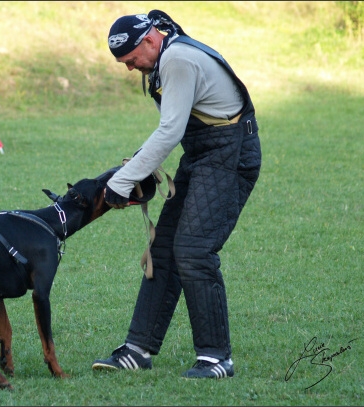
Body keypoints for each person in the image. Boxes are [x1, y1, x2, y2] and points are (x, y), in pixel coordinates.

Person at [93, 10, 262, 379]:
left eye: (131, 60)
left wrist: (121, 182)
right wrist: (137, 164)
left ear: (150, 40)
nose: (128, 68)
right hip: (203, 153)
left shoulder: (179, 60)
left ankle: (217, 359)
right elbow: (174, 125)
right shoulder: (161, 60)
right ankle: (137, 350)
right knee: (163, 246)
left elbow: (169, 132)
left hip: (231, 153)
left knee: (194, 250)